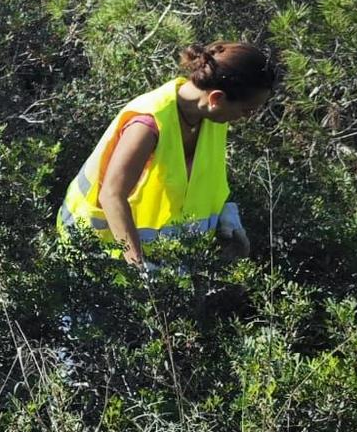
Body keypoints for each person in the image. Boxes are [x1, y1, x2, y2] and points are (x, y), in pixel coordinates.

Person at [56, 41, 279, 267]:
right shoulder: (147, 124)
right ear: (216, 99)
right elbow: (112, 196)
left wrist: (225, 217)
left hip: (165, 263)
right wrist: (139, 266)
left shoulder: (213, 118)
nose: (247, 117)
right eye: (246, 110)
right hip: (97, 256)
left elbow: (201, 184)